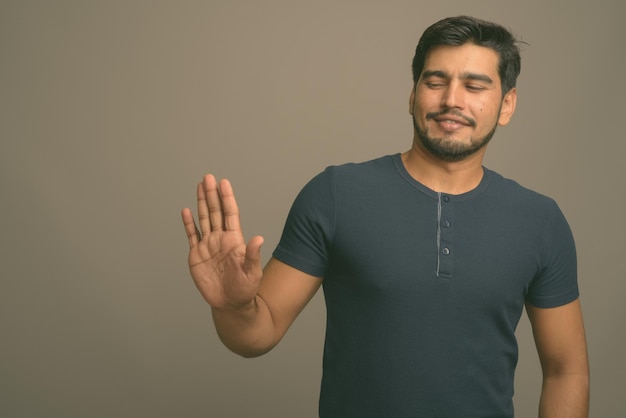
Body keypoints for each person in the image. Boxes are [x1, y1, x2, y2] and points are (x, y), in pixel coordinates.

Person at [181, 15, 589, 418]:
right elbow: (258, 333)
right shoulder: (336, 194)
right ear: (413, 95)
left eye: (474, 85)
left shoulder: (540, 220)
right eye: (435, 81)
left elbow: (566, 370)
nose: (452, 100)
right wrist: (233, 307)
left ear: (507, 104)